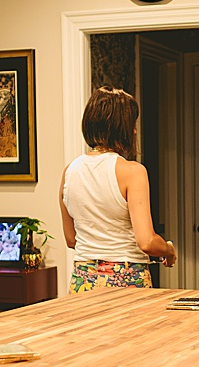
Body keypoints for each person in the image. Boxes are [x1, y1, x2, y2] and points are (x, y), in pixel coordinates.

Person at [59, 87, 176, 293]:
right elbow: (147, 242)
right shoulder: (133, 172)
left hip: (82, 280)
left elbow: (71, 239)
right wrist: (168, 249)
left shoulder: (69, 172)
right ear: (123, 128)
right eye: (132, 124)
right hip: (127, 278)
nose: (135, 131)